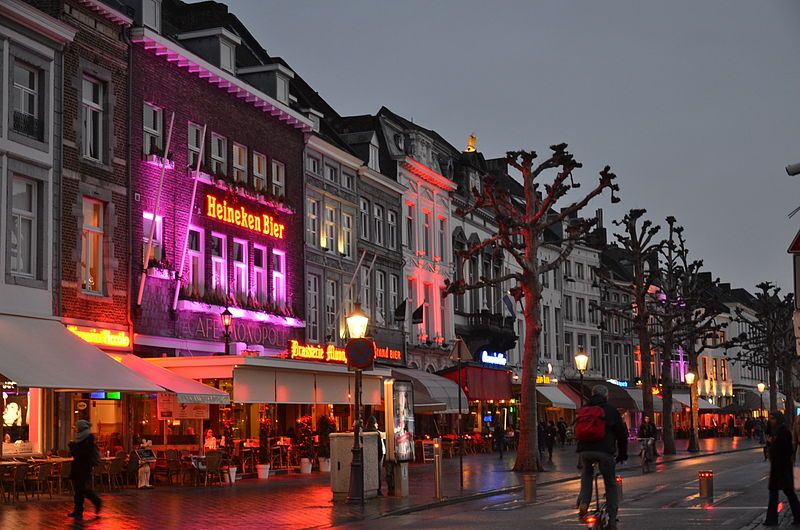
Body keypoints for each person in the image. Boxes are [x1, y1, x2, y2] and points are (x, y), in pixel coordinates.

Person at [576, 385, 628, 530]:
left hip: (585, 451)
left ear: (592, 394)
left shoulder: (584, 409)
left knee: (586, 475)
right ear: (606, 396)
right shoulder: (611, 410)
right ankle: (612, 518)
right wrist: (623, 454)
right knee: (610, 484)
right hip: (604, 452)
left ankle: (584, 502)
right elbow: (622, 435)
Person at [764, 412, 800, 526]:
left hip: (782, 468)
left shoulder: (783, 432)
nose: (771, 421)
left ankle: (796, 517)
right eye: (770, 418)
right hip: (778, 468)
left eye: (773, 418)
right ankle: (771, 519)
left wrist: (772, 444)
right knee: (775, 494)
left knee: (788, 493)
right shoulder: (776, 433)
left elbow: (787, 450)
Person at [67, 420, 102, 519]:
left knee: (81, 488)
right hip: (78, 466)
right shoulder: (81, 439)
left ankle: (96, 500)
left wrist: (73, 447)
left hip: (84, 467)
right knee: (78, 490)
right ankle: (78, 510)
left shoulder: (87, 440)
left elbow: (82, 454)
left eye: (77, 428)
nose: (76, 430)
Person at [366, 416, 384, 496]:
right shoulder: (376, 433)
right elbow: (379, 447)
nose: (377, 425)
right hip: (377, 456)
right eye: (376, 423)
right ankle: (378, 490)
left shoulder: (364, 432)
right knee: (378, 474)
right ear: (374, 423)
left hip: (368, 456)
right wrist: (380, 457)